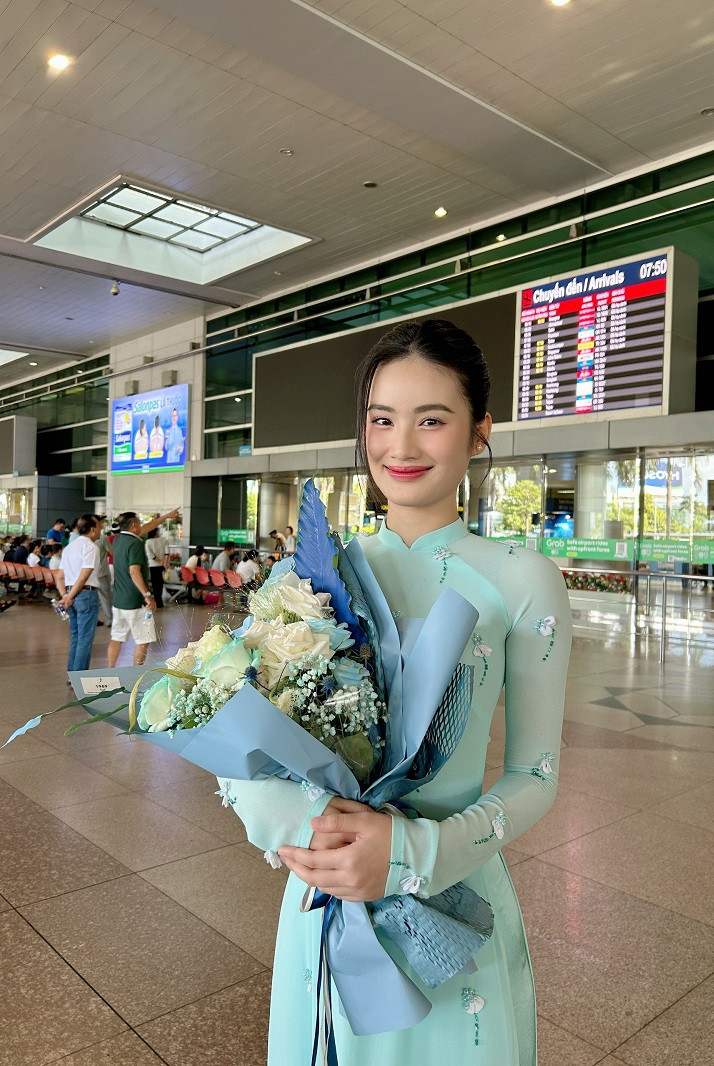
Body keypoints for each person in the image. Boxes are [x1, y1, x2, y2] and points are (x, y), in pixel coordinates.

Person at [224, 319, 572, 1065]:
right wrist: (300, 828)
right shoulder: (313, 577)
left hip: (455, 897)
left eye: (432, 420)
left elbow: (535, 774)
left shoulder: (523, 578)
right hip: (329, 893)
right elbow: (238, 735)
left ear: (480, 431)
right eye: (382, 419)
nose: (401, 447)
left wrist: (415, 851)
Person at [106, 512, 157, 667]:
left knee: (117, 637)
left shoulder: (117, 540)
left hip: (119, 600)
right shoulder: (136, 543)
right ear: (134, 525)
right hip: (136, 601)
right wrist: (147, 595)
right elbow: (134, 571)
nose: (141, 526)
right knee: (144, 638)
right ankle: (136, 674)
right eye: (139, 523)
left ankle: (110, 670)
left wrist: (166, 516)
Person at [53, 514, 102, 672]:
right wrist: (70, 596)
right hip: (85, 596)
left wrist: (65, 596)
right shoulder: (91, 548)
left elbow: (59, 577)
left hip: (71, 596)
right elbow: (83, 578)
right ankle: (79, 677)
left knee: (75, 636)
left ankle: (71, 674)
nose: (101, 530)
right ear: (92, 530)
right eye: (99, 527)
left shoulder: (68, 548)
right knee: (85, 639)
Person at [145, 526, 169, 608]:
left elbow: (150, 555)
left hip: (153, 565)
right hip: (162, 566)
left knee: (155, 583)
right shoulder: (163, 540)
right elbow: (167, 552)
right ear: (156, 532)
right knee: (160, 582)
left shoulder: (148, 542)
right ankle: (160, 601)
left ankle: (157, 600)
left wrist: (159, 561)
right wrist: (164, 562)